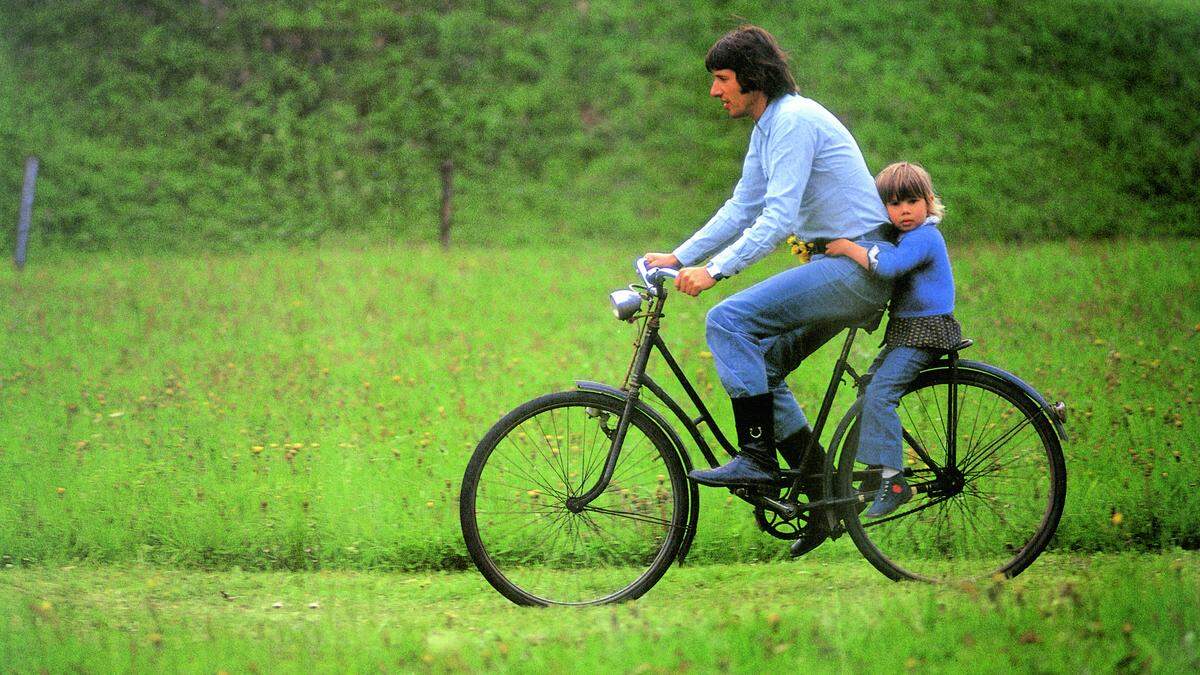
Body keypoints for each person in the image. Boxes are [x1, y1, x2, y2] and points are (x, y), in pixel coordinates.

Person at [642, 25, 893, 506]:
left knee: (727, 320)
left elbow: (777, 218)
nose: (715, 90)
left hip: (857, 267)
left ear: (751, 77)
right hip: (840, 267)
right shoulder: (770, 124)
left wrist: (714, 271)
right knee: (766, 365)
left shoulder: (793, 121)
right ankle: (821, 493)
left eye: (722, 78)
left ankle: (757, 458)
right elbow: (742, 206)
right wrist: (680, 256)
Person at [825, 161, 962, 517]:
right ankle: (875, 472)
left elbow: (889, 266)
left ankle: (895, 481)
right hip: (907, 333)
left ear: (929, 202)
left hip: (926, 333)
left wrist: (848, 248)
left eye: (912, 201)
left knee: (881, 393)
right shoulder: (906, 236)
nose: (903, 210)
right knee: (868, 386)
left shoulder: (924, 237)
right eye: (894, 203)